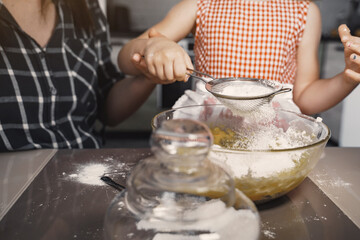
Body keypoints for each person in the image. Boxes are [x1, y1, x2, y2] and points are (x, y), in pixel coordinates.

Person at [118, 0, 360, 116]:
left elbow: (305, 99)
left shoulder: (304, 12)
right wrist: (154, 45)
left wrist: (348, 78)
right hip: (204, 127)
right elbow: (125, 59)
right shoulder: (200, 4)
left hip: (271, 133)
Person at [0, 0, 158, 151]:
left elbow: (107, 107)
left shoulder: (86, 7)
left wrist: (149, 76)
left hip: (85, 167)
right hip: (13, 176)